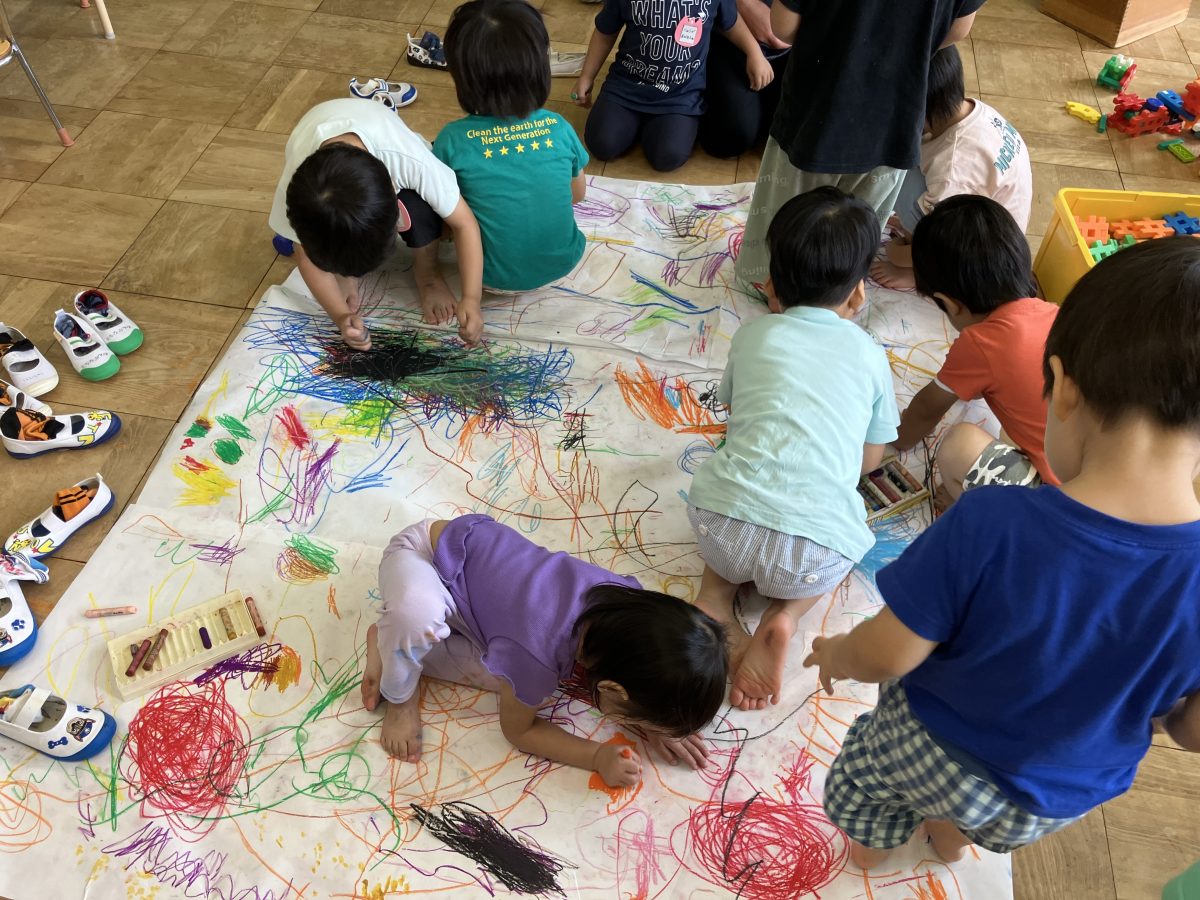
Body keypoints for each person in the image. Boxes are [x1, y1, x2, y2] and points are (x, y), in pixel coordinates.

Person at [804, 237, 1200, 870]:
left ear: (1063, 390)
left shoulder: (992, 520)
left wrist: (838, 655)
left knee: (867, 787)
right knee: (974, 817)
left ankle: (868, 856)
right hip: (1053, 797)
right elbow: (1192, 730)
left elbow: (888, 653)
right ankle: (952, 840)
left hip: (931, 747)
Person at [687, 187, 899, 712]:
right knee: (849, 530)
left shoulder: (754, 335)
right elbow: (870, 461)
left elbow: (736, 416)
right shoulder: (871, 356)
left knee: (732, 480)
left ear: (771, 288)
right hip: (812, 553)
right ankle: (786, 616)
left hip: (721, 529)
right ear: (858, 295)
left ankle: (714, 598)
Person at [360, 515, 729, 783]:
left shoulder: (627, 603)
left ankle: (392, 640)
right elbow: (520, 731)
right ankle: (399, 686)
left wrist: (661, 715)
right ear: (613, 688)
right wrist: (596, 756)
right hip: (426, 557)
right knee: (417, 615)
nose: (632, 726)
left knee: (503, 677)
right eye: (632, 720)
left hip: (482, 611)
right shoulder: (537, 656)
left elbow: (658, 654)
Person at [735, 0, 984, 293]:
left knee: (787, 217)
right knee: (859, 227)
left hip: (818, 115)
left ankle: (771, 286)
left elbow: (783, 27)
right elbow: (958, 29)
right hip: (894, 121)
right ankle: (838, 294)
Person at [270, 98, 485, 349]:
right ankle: (346, 271)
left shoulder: (408, 160)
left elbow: (464, 223)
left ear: (392, 195)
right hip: (320, 135)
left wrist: (472, 297)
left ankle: (428, 274)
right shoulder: (300, 191)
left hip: (389, 141)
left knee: (421, 208)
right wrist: (341, 316)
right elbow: (303, 253)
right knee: (327, 227)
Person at [892, 196, 1058, 500]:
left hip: (1058, 511)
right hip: (1111, 496)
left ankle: (982, 516)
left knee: (960, 445)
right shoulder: (1058, 314)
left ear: (950, 304)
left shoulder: (982, 342)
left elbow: (927, 409)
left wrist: (895, 440)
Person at [435, 0, 589, 294]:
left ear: (461, 77)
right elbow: (577, 194)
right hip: (564, 265)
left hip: (490, 279)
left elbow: (444, 220)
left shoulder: (451, 140)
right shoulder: (558, 126)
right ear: (541, 68)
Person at [871, 45, 1033, 290]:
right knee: (902, 164)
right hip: (995, 230)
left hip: (979, 257)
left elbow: (942, 245)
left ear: (916, 112)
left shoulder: (954, 168)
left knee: (896, 174)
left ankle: (919, 275)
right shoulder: (972, 110)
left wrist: (897, 253)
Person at [572, 0, 774, 172]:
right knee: (601, 144)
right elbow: (605, 30)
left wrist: (754, 53)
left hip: (680, 96)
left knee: (668, 157)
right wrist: (586, 77)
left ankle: (657, 127)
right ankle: (632, 125)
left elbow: (731, 23)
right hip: (626, 89)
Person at [698, 0, 790, 159]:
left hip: (793, 42)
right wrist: (744, 4)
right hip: (728, 35)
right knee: (731, 138)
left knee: (796, 136)